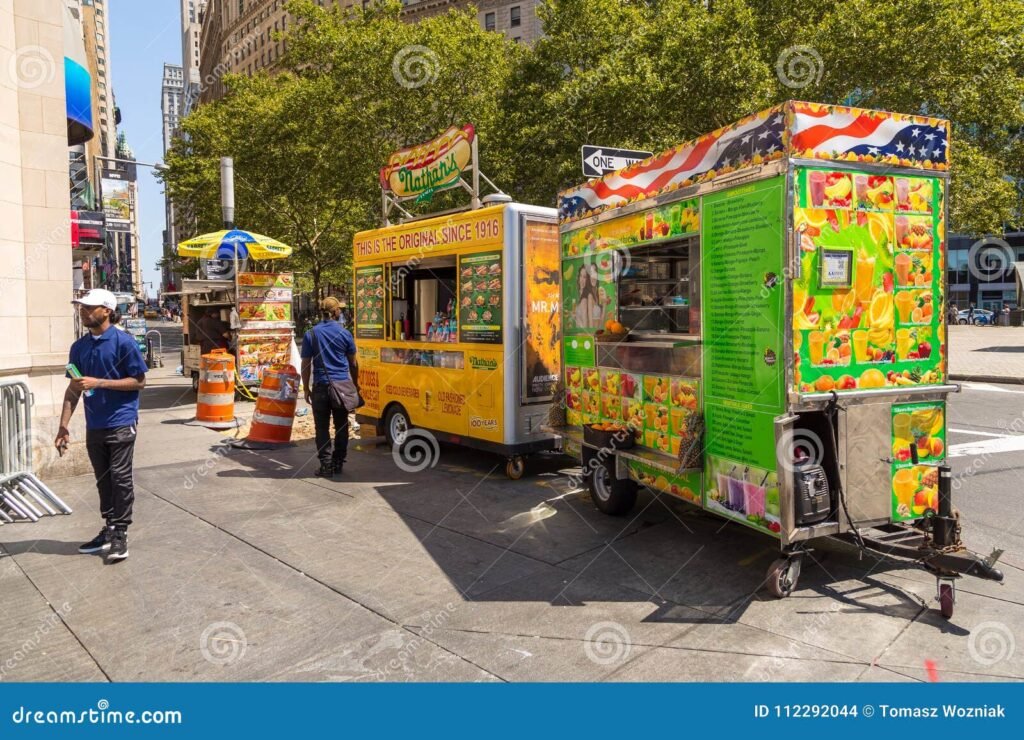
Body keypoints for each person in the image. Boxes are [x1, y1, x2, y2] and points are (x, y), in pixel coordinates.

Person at [56, 289, 148, 562]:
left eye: (89, 307)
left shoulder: (123, 343)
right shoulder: (79, 347)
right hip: (95, 424)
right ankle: (109, 528)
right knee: (103, 479)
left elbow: (139, 381)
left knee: (120, 477)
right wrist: (63, 426)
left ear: (106, 310)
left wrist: (99, 382)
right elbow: (74, 390)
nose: (83, 312)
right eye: (81, 308)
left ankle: (121, 532)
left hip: (121, 420)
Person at [301, 297, 360, 478]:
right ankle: (338, 463)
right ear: (336, 312)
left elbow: (306, 364)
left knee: (322, 428)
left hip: (320, 387)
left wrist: (306, 388)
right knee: (341, 426)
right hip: (341, 387)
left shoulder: (311, 334)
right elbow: (353, 363)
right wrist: (355, 385)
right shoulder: (345, 333)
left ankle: (325, 466)